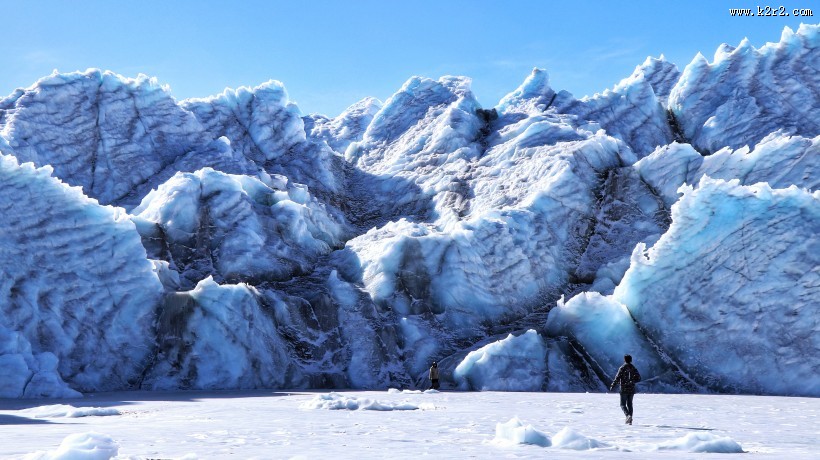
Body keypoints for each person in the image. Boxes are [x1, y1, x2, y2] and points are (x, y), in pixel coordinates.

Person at [610, 354, 641, 425]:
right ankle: (630, 420)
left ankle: (628, 416)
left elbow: (617, 378)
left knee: (622, 404)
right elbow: (639, 378)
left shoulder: (622, 368)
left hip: (623, 388)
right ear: (631, 360)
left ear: (624, 360)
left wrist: (613, 385)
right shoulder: (633, 368)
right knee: (630, 404)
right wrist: (632, 381)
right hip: (632, 389)